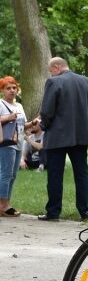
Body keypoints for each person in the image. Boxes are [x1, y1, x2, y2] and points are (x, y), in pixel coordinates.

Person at [38, 57, 88, 221]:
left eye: (51, 70)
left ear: (57, 67)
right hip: (81, 136)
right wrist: (85, 124)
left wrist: (44, 125)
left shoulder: (54, 82)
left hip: (57, 136)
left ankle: (53, 212)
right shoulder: (86, 81)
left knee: (55, 175)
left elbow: (46, 110)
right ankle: (85, 211)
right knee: (81, 174)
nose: (51, 73)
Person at [0, 76, 30, 217]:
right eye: (8, 88)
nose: (12, 90)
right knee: (6, 174)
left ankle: (7, 203)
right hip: (6, 143)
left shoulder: (19, 106)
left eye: (14, 88)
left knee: (13, 175)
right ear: (2, 91)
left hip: (19, 143)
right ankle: (3, 205)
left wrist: (33, 124)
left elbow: (22, 125)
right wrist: (7, 118)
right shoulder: (0, 104)